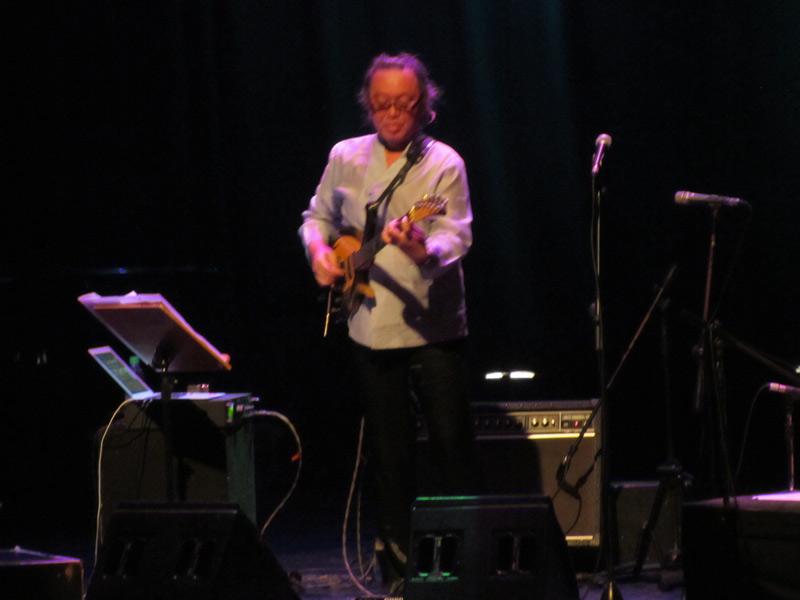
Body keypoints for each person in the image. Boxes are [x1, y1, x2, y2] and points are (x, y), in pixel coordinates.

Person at [299, 52, 478, 595]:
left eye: (404, 103)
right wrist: (319, 254)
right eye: (382, 104)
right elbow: (316, 218)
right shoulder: (346, 157)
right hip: (369, 330)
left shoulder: (443, 163)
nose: (393, 114)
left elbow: (456, 233)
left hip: (434, 330)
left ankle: (464, 571)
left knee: (451, 451)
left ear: (425, 107)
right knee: (390, 458)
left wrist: (425, 251)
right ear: (368, 105)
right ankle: (400, 575)